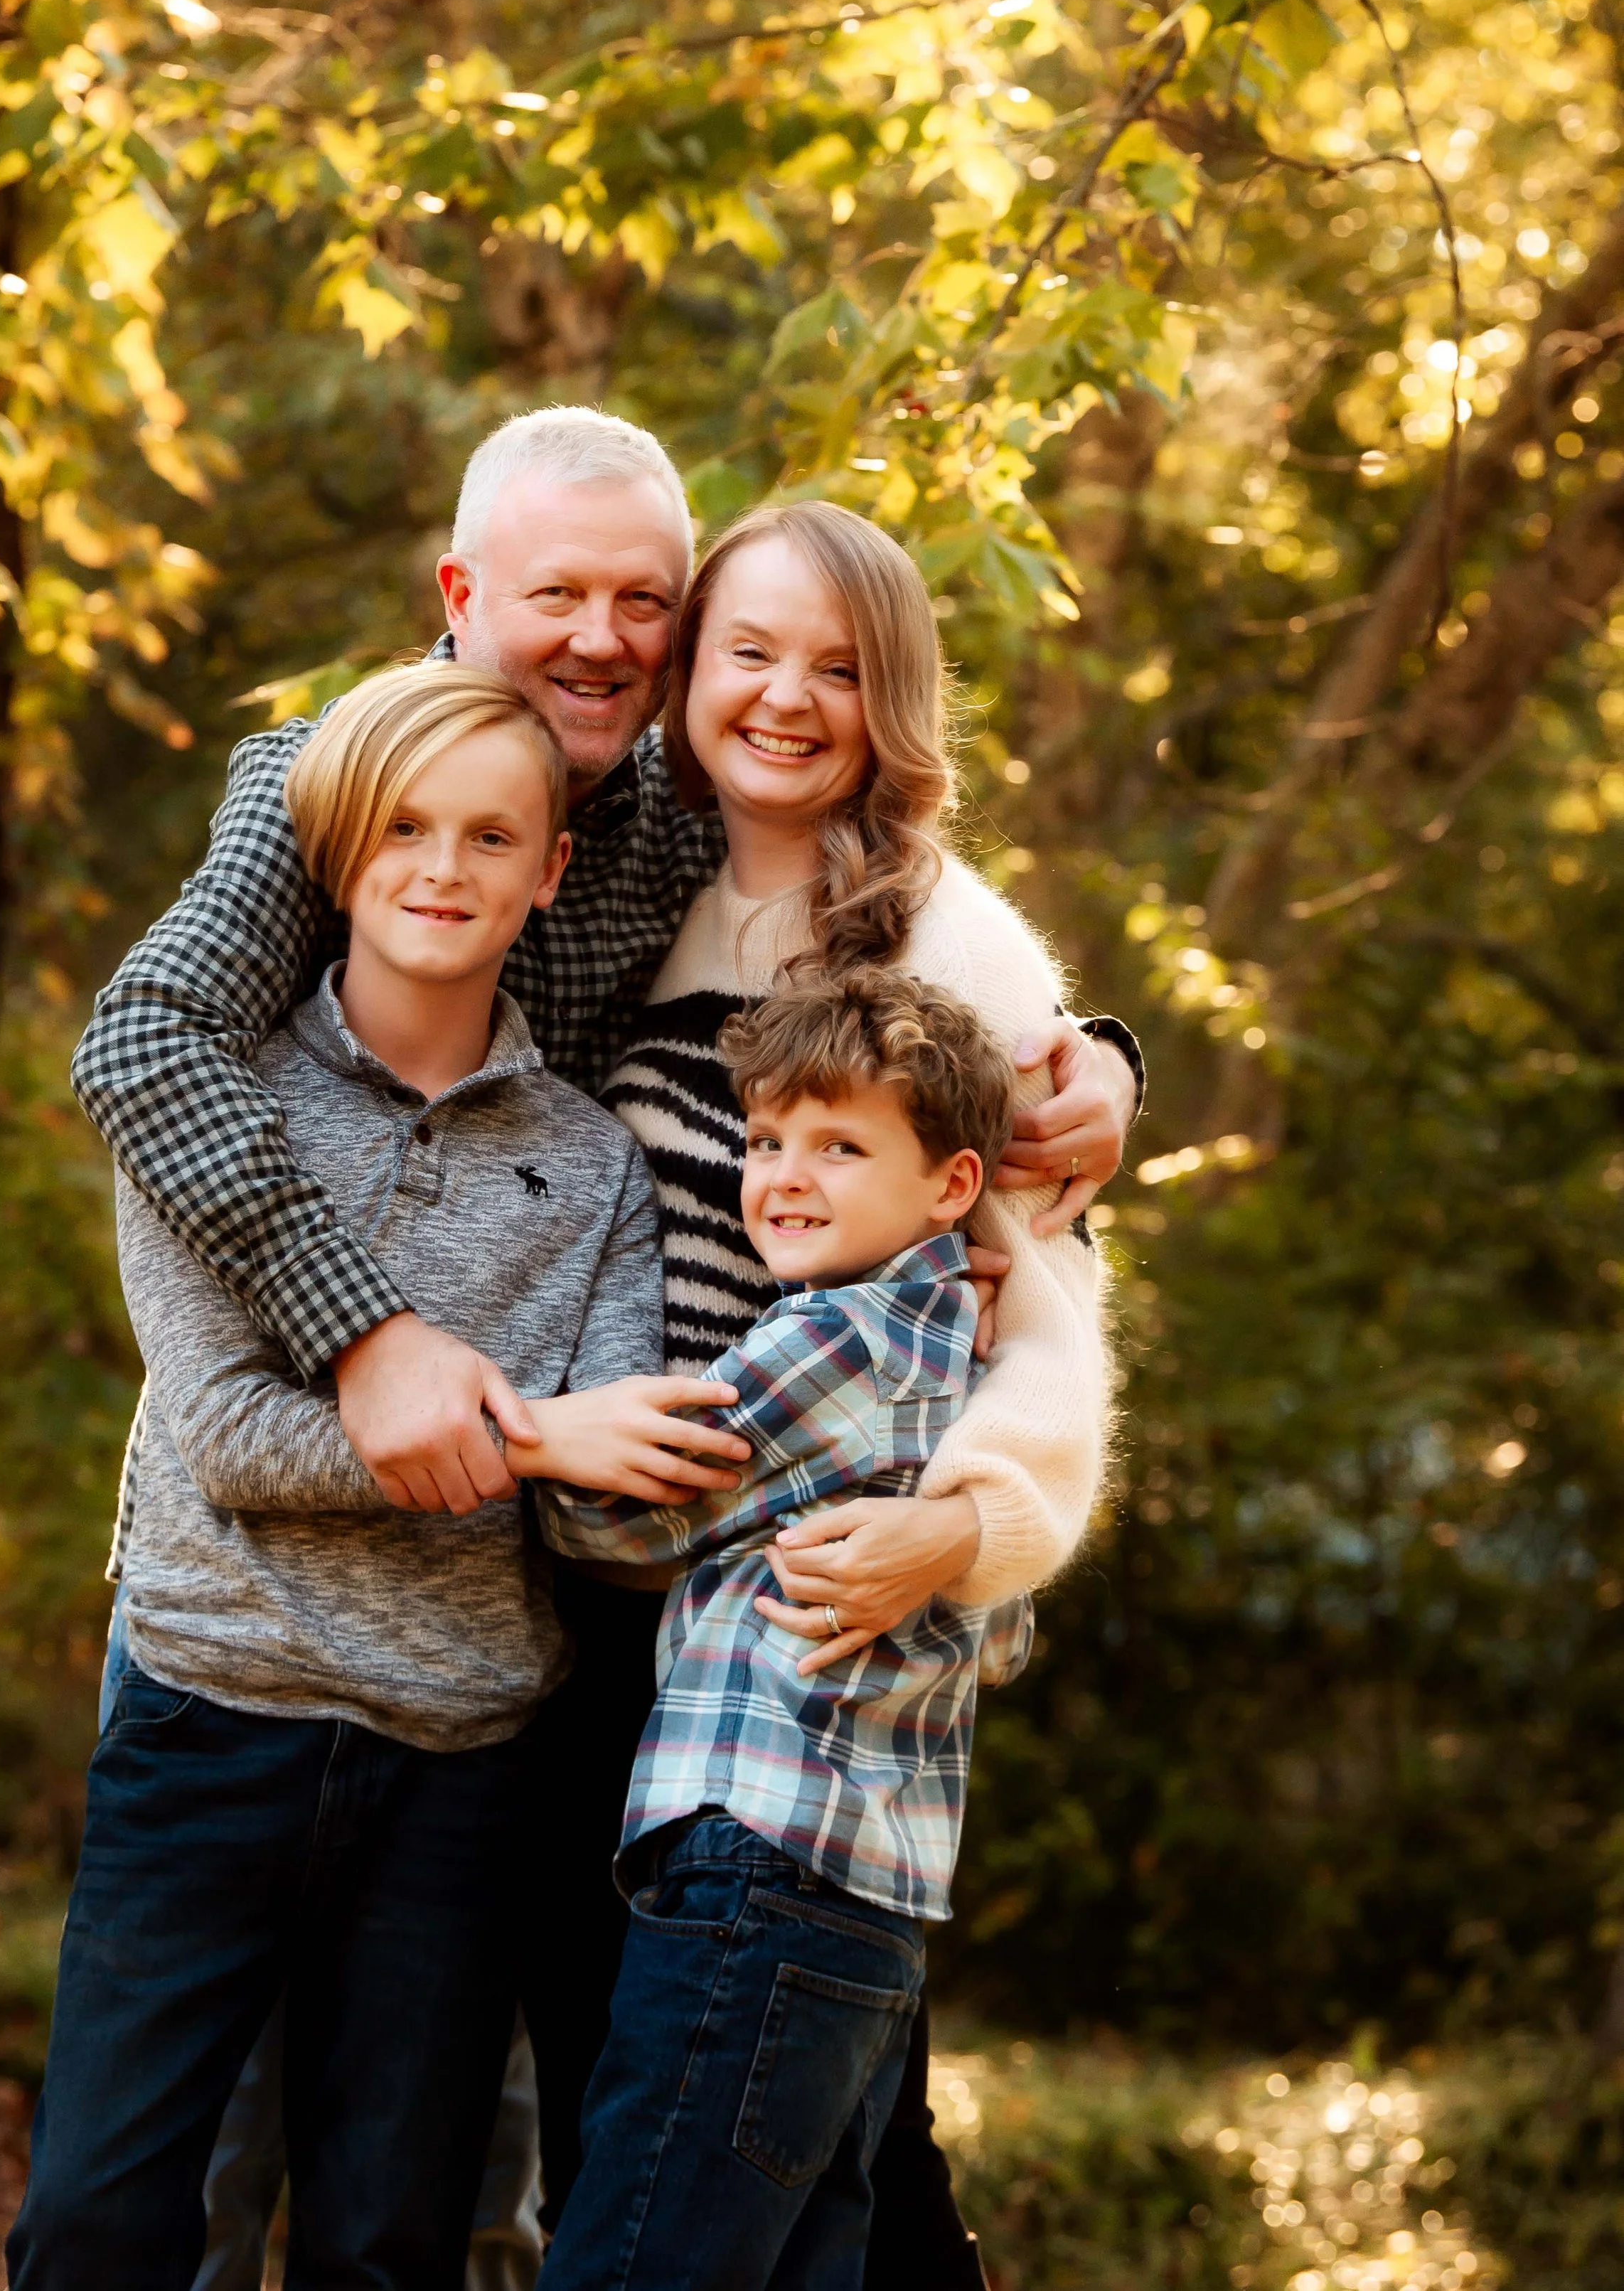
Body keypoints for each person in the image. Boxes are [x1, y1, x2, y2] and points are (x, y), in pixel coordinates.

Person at [68, 408, 1141, 2272]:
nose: (599, 636)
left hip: (667, 1634)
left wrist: (1102, 1069)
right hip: (293, 1611)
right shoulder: (325, 786)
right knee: (175, 2185)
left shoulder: (705, 844)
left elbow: (1011, 1229)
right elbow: (143, 1045)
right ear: (457, 591)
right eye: (553, 591)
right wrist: (369, 1332)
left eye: (639, 601)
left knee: (637, 2167)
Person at [11, 666, 742, 2291]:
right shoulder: (223, 1113)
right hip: (210, 1726)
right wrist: (543, 1429)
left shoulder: (595, 1159)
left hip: (459, 1764)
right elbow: (238, 1445)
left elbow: (607, 1497)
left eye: (491, 836)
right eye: (402, 829)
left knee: (388, 2246)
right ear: (334, 854)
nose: (442, 867)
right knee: (95, 2225)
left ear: (548, 874)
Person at [594, 497, 1114, 2286]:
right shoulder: (615, 891)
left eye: (838, 665)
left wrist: (964, 1531)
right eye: (747, 650)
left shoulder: (951, 945)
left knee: (781, 2171)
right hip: (641, 1633)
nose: (787, 697)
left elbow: (1044, 1303)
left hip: (815, 1659)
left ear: (893, 701)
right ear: (683, 674)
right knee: (791, 2190)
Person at [533, 968, 1103, 2290]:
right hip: (870, 1901)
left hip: (754, 1863)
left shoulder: (831, 1341)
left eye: (841, 1146)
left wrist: (533, 1441)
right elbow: (1000, 1628)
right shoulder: (962, 1358)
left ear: (953, 1185)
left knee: (632, 2254)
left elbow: (622, 1518)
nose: (785, 1176)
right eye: (768, 1139)